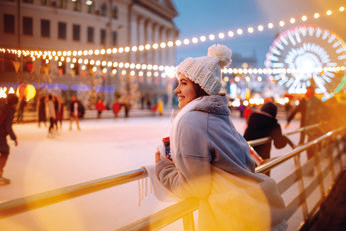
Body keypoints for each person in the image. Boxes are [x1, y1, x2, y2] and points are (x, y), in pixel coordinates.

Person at [151, 44, 287, 231]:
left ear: (201, 87)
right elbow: (247, 164)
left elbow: (196, 188)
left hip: (232, 219)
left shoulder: (189, 120)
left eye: (184, 83)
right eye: (178, 82)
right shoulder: (220, 116)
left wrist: (163, 168)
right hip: (256, 208)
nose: (176, 90)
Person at [243, 102, 295, 175]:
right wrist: (284, 138)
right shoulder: (274, 124)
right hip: (262, 159)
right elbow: (279, 145)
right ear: (274, 113)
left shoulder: (253, 118)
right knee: (263, 180)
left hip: (246, 155)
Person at [0, 94, 19, 185]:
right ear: (14, 103)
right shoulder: (10, 110)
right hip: (1, 135)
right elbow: (8, 127)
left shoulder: (3, 106)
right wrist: (14, 138)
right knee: (5, 152)